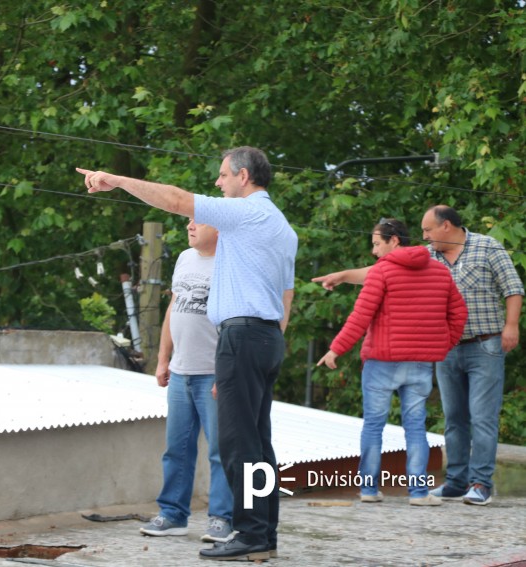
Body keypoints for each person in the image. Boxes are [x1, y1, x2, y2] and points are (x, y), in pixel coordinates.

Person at [78, 145, 297, 562]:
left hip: (242, 337)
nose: (218, 183)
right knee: (259, 443)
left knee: (237, 444)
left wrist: (118, 180)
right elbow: (286, 294)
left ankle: (250, 533)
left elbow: (176, 200)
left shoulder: (247, 212)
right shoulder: (282, 226)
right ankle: (263, 532)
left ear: (244, 177)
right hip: (266, 337)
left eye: (222, 175)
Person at [313, 205, 524, 506]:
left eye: (428, 230)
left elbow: (512, 288)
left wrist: (511, 326)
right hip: (440, 353)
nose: (424, 235)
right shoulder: (429, 258)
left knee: (480, 418)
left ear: (447, 226)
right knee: (448, 419)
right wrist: (344, 275)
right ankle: (445, 485)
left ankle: (478, 483)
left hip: (484, 344)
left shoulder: (487, 247)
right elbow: (382, 274)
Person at [316, 218, 467, 506]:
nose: (373, 252)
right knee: (416, 427)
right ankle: (420, 493)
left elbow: (360, 316)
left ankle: (370, 489)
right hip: (420, 364)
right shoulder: (439, 271)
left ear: (394, 240)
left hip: (382, 362)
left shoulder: (382, 272)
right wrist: (440, 345)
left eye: (376, 244)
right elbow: (458, 314)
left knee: (373, 425)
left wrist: (336, 349)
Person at [139, 218, 235, 543]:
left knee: (221, 450)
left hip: (214, 373)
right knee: (176, 448)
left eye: (198, 222)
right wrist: (163, 359)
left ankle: (223, 518)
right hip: (180, 371)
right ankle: (172, 515)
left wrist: (228, 372)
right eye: (188, 222)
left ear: (219, 228)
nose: (190, 227)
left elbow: (237, 324)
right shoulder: (184, 258)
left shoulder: (231, 264)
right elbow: (173, 309)